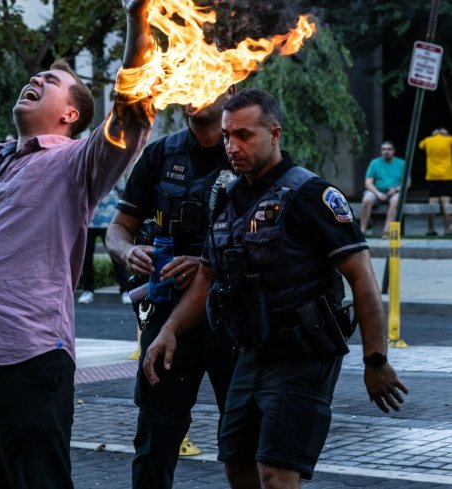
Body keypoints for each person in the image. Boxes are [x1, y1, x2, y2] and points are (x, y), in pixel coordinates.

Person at [0, 2, 153, 486]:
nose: (38, 79)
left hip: (25, 363)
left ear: (71, 113)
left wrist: (137, 21)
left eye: (52, 80)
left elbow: (130, 113)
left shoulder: (77, 165)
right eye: (38, 75)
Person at [143, 89, 408, 489]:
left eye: (245, 135)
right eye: (229, 135)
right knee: (237, 465)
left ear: (275, 133)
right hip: (252, 353)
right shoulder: (228, 199)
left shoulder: (312, 195)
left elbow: (362, 278)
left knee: (277, 474)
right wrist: (169, 330)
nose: (232, 146)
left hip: (304, 354)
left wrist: (375, 360)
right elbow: (208, 277)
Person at [105, 89, 236, 488]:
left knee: (244, 439)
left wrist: (206, 264)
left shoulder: (246, 150)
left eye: (208, 81)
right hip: (167, 320)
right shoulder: (161, 154)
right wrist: (129, 253)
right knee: (156, 436)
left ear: (230, 90)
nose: (198, 90)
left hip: (233, 319)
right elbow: (117, 229)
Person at [77, 184, 130, 305]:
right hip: (88, 215)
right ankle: (88, 290)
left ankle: (125, 290)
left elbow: (123, 190)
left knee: (116, 256)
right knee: (86, 257)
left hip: (110, 215)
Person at [360, 141, 405, 238]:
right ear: (381, 151)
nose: (386, 151)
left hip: (394, 191)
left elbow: (407, 182)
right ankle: (362, 230)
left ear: (394, 151)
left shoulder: (401, 163)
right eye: (384, 149)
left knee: (396, 200)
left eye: (389, 149)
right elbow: (368, 182)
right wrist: (377, 193)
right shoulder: (374, 163)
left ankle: (386, 231)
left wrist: (396, 189)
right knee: (366, 199)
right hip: (377, 191)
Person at [418, 128, 452, 236]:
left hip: (432, 176)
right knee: (445, 203)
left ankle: (430, 229)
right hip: (447, 176)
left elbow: (421, 145)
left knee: (432, 202)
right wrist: (446, 135)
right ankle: (447, 230)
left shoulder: (428, 140)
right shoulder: (449, 139)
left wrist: (433, 136)